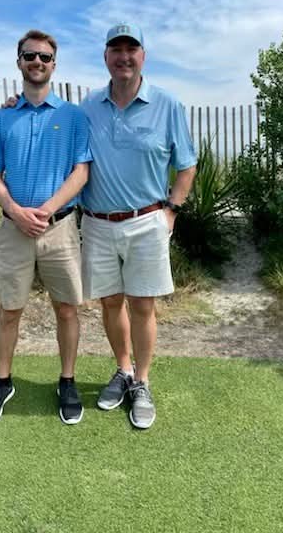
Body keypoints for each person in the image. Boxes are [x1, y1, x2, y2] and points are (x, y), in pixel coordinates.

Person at [80, 23, 197, 429]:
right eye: (116, 49)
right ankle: (123, 370)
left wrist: (171, 211)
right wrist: (14, 104)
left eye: (132, 49)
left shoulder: (167, 104)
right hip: (97, 223)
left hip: (147, 221)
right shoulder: (88, 106)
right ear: (105, 57)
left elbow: (186, 165)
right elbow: (54, 130)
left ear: (143, 56)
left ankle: (142, 382)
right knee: (110, 303)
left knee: (143, 305)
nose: (124, 56)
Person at [0, 29, 92, 427]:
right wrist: (15, 210)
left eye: (44, 57)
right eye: (30, 56)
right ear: (19, 62)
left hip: (60, 228)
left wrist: (44, 210)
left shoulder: (73, 116)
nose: (37, 62)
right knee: (10, 310)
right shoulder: (2, 117)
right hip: (14, 230)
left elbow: (81, 171)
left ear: (54, 64)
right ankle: (2, 382)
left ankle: (67, 381)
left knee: (67, 309)